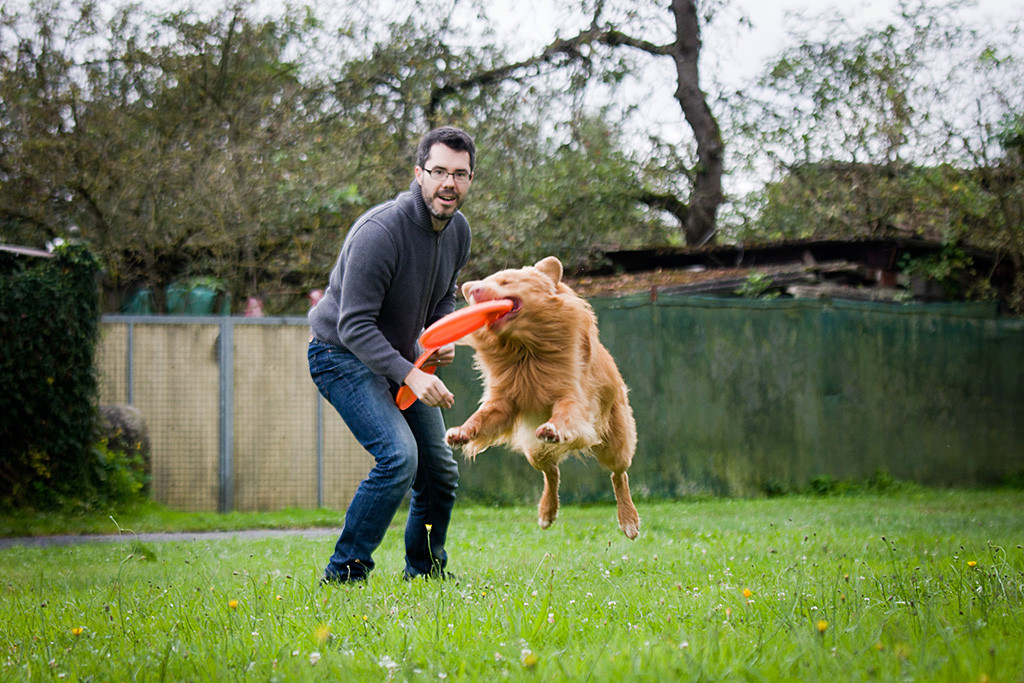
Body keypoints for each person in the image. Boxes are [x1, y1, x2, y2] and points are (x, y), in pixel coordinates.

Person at [307, 126, 476, 583]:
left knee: (439, 469)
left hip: (397, 359)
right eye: (439, 171)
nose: (448, 183)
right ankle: (345, 573)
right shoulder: (380, 232)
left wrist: (440, 335)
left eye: (459, 174)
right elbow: (353, 325)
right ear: (418, 173)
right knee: (399, 458)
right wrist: (410, 375)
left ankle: (424, 572)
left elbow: (444, 295)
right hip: (339, 356)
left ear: (470, 181)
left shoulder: (458, 231)